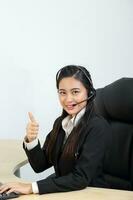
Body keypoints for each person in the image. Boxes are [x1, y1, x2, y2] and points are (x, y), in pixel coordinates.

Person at [0, 65, 112, 195]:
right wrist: (31, 140)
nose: (68, 99)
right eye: (62, 92)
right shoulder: (61, 123)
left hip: (92, 194)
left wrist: (31, 187)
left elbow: (80, 178)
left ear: (89, 93)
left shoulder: (98, 127)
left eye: (75, 92)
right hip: (66, 192)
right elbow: (40, 166)